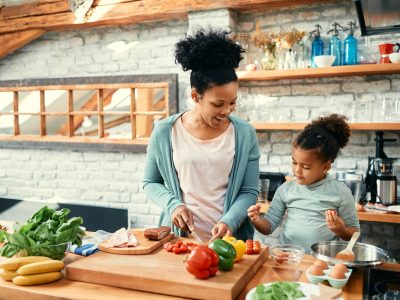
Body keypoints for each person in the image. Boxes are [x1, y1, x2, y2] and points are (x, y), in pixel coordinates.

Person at [143, 29, 260, 242]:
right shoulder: (165, 131)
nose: (227, 110)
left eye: (232, 102)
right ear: (196, 95)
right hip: (181, 241)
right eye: (218, 104)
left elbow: (249, 191)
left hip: (230, 242)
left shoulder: (244, 134)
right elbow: (151, 182)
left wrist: (230, 221)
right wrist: (173, 205)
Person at [248, 114, 360, 252]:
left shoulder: (340, 192)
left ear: (326, 166)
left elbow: (354, 233)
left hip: (321, 261)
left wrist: (341, 230)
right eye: (294, 163)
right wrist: (256, 219)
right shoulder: (286, 189)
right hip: (289, 258)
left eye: (306, 167)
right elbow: (268, 227)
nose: (297, 171)